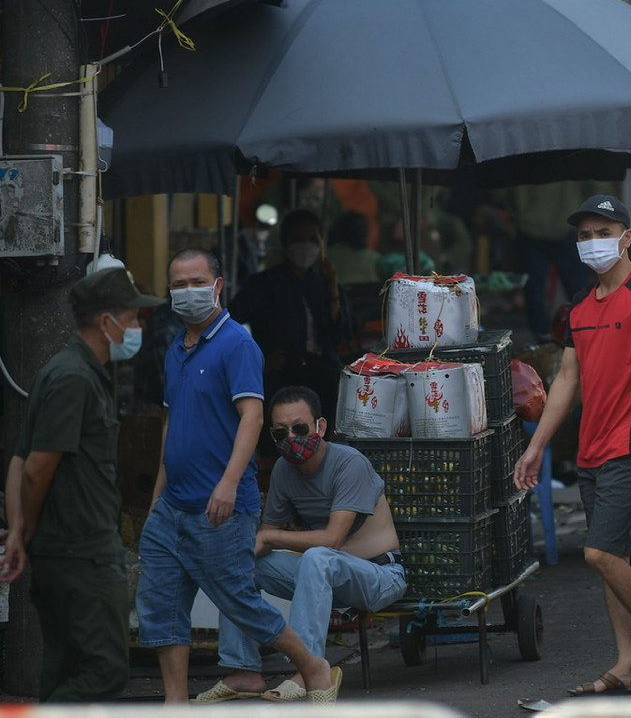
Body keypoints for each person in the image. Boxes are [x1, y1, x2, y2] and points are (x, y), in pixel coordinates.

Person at [135, 248, 340, 704]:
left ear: (218, 285)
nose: (188, 292)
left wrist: (228, 483)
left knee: (238, 601)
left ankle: (312, 666)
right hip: (173, 506)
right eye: (179, 284)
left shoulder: (238, 345)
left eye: (196, 282)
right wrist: (156, 496)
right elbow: (172, 425)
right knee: (161, 603)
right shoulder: (175, 348)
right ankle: (174, 703)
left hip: (222, 504)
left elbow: (252, 417)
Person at [512, 194, 631, 695]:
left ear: (626, 237)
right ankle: (625, 661)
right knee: (615, 558)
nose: (592, 243)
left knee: (599, 552)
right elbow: (565, 382)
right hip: (590, 449)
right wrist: (536, 447)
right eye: (583, 235)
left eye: (602, 232)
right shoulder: (580, 309)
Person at [0, 268, 163, 701]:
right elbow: (35, 467)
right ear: (107, 323)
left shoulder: (65, 370)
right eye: (132, 318)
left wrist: (18, 532)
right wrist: (25, 529)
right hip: (81, 552)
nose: (137, 328)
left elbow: (18, 460)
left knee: (64, 668)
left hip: (65, 550)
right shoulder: (73, 377)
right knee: (105, 670)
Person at [197, 386, 406, 702]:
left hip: (379, 577)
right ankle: (244, 670)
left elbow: (332, 539)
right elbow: (266, 536)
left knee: (318, 555)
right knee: (243, 566)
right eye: (282, 432)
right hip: (322, 575)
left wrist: (268, 537)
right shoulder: (284, 470)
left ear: (320, 427)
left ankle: (308, 670)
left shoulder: (349, 463)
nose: (292, 438)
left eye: (300, 428)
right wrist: (234, 559)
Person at [229, 209, 353, 439]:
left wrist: (333, 289)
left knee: (325, 435)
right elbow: (230, 324)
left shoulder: (324, 283)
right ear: (285, 242)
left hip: (323, 374)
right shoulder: (264, 283)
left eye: (312, 239)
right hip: (281, 376)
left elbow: (341, 334)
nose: (305, 246)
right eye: (298, 239)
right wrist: (258, 363)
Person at [512, 181, 607, 341]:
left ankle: (544, 339)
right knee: (577, 288)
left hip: (535, 226)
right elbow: (598, 186)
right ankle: (590, 333)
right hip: (563, 224)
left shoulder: (523, 157)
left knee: (536, 289)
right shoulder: (573, 157)